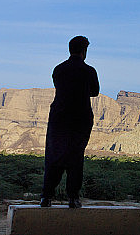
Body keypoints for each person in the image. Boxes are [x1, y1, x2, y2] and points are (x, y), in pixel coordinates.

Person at [40, 36, 100, 208]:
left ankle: (46, 196)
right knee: (75, 156)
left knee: (54, 155)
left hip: (59, 117)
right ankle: (73, 198)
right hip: (80, 117)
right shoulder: (89, 71)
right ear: (84, 51)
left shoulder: (59, 69)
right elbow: (95, 92)